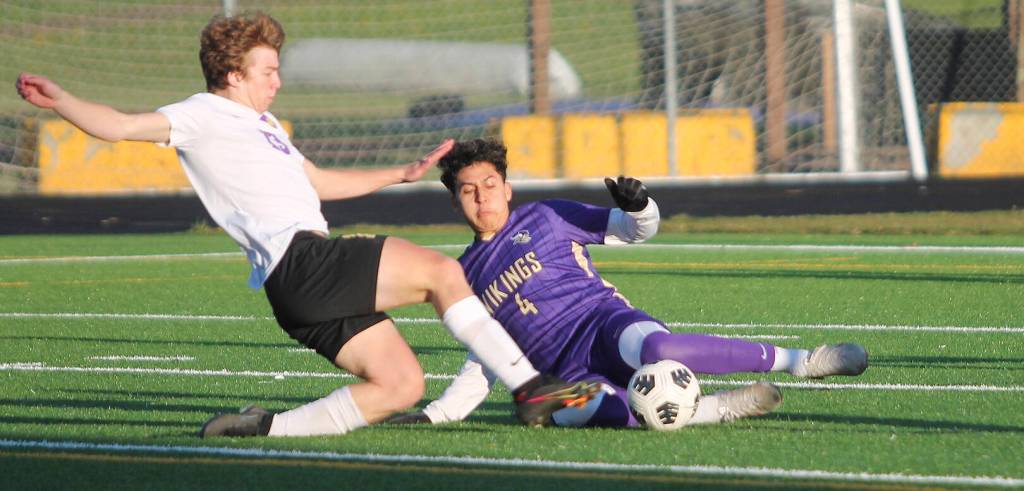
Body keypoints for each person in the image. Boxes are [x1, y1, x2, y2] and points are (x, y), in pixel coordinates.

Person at [14, 12, 599, 438]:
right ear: (233, 74)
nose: (277, 80)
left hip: (299, 285)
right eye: (267, 70)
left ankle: (265, 429)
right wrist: (63, 99)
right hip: (301, 264)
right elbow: (118, 125)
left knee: (400, 388)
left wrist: (400, 173)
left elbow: (316, 181)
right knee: (442, 272)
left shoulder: (266, 125)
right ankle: (529, 387)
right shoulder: (200, 114)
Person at [388, 138, 869, 428]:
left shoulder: (550, 215)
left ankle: (802, 362)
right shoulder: (460, 275)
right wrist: (439, 414)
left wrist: (641, 207)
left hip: (605, 325)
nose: (481, 197)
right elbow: (483, 359)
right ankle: (714, 409)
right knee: (569, 409)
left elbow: (637, 230)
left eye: (489, 185)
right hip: (567, 373)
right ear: (456, 203)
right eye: (468, 191)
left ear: (507, 188)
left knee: (658, 351)